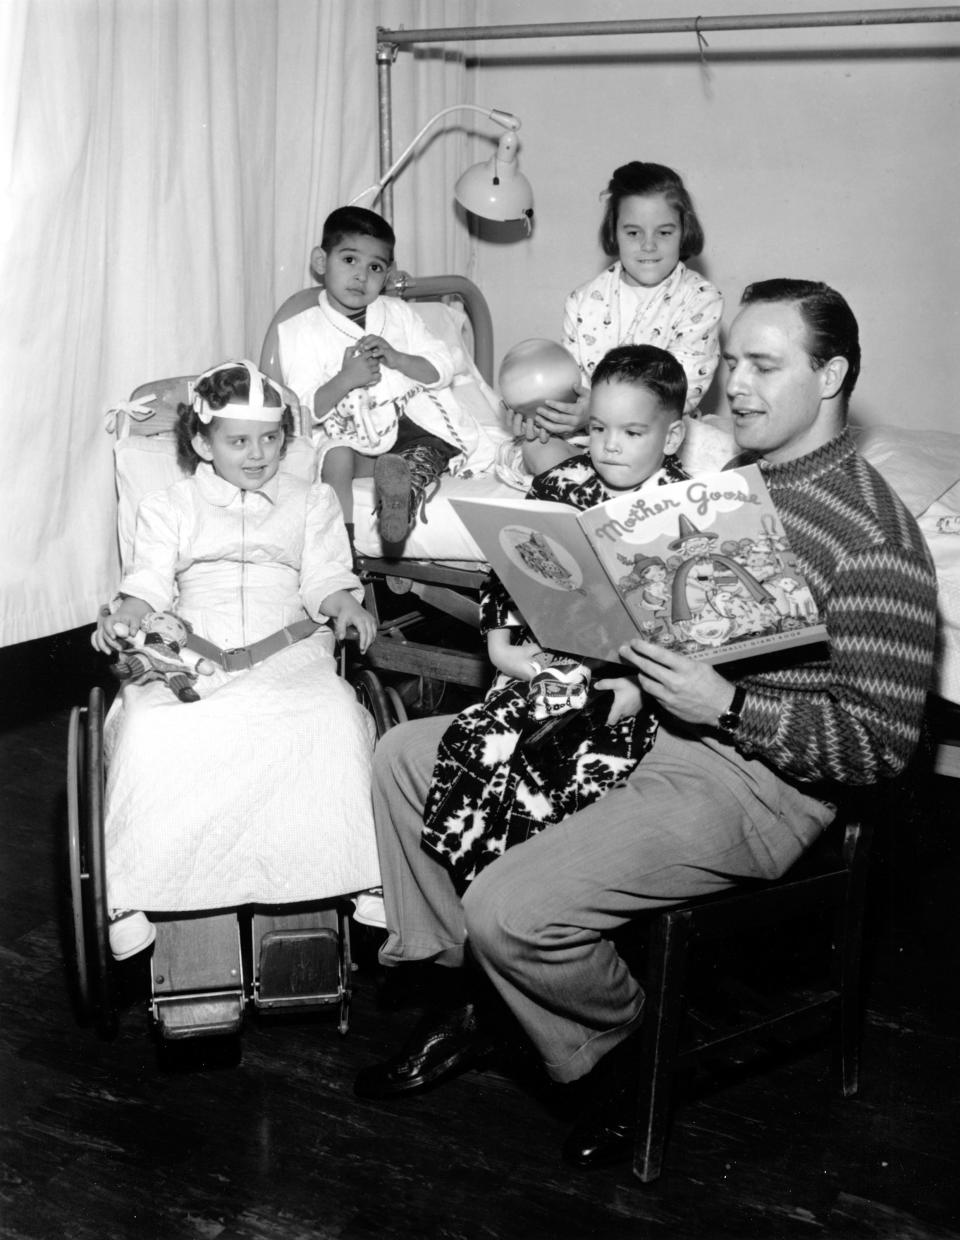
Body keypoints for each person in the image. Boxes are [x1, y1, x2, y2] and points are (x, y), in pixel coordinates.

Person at [352, 280, 938, 1169]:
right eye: (731, 360)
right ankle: (489, 1001)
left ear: (833, 375)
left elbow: (882, 746)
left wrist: (731, 706)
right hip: (645, 721)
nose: (733, 384)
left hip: (754, 779)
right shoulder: (734, 487)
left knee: (510, 907)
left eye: (764, 365)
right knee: (403, 758)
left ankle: (624, 1052)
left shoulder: (874, 536)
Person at [92, 360, 380, 960]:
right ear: (202, 442)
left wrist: (344, 604)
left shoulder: (312, 500)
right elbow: (149, 581)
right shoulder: (169, 506)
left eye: (271, 439)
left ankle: (358, 871)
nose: (257, 455)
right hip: (196, 640)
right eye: (238, 441)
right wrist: (126, 615)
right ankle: (133, 889)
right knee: (151, 727)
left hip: (290, 638)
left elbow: (325, 573)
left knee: (330, 714)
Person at [421, 344, 687, 893]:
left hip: (631, 688)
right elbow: (505, 571)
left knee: (550, 772)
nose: (610, 446)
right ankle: (474, 894)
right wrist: (501, 647)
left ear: (673, 437)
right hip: (550, 663)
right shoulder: (561, 484)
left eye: (633, 433)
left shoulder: (682, 505)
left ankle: (519, 896)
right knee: (473, 740)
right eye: (597, 428)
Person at [277, 206, 496, 547]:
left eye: (375, 267)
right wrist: (346, 379)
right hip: (354, 438)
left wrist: (398, 358)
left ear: (388, 273)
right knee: (335, 457)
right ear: (321, 261)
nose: (361, 276)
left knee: (433, 445)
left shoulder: (400, 315)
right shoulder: (300, 331)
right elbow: (303, 411)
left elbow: (443, 366)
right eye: (349, 260)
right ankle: (339, 546)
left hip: (412, 429)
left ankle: (400, 493)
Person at [499, 161, 723, 484]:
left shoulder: (701, 299)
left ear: (683, 231)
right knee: (535, 448)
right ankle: (600, 495)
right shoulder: (584, 301)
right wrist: (541, 415)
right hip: (595, 439)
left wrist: (597, 412)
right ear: (614, 232)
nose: (648, 245)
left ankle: (608, 492)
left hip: (658, 439)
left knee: (720, 457)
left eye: (664, 232)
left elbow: (682, 392)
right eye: (633, 232)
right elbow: (571, 388)